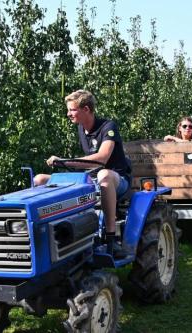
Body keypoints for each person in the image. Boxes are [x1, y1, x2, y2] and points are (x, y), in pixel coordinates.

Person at [33, 90, 131, 257]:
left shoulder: (108, 127)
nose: (68, 114)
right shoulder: (81, 129)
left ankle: (111, 239)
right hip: (91, 178)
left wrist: (65, 161)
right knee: (40, 179)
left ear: (86, 109)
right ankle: (44, 239)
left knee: (104, 176)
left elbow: (101, 158)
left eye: (72, 110)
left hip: (117, 179)